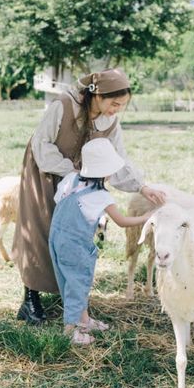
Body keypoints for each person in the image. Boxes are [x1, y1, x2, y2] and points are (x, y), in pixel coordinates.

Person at [11, 68, 166, 324]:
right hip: (46, 172)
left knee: (71, 235)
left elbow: (117, 160)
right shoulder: (63, 105)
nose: (117, 109)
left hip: (82, 180)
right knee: (42, 229)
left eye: (122, 105)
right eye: (114, 103)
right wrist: (69, 169)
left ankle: (70, 297)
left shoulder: (110, 121)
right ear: (97, 95)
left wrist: (142, 187)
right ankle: (30, 299)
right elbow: (42, 143)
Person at [49, 138, 152, 344]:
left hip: (56, 237)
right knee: (78, 285)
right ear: (106, 171)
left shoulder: (71, 178)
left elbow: (58, 200)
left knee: (68, 281)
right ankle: (71, 331)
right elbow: (122, 221)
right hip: (77, 245)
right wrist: (147, 218)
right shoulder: (101, 196)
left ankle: (84, 320)